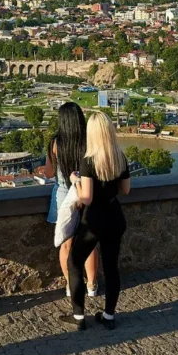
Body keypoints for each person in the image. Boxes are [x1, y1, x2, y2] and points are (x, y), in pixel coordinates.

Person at [61, 112, 131, 331]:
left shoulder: (88, 161)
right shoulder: (120, 157)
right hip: (114, 216)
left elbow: (86, 198)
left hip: (93, 220)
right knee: (111, 267)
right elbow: (126, 190)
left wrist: (75, 180)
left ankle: (79, 316)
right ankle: (109, 316)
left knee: (74, 262)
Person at [42, 102, 98, 297]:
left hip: (63, 195)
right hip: (86, 192)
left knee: (66, 243)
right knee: (88, 242)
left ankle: (70, 285)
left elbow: (49, 173)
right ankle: (91, 284)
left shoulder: (55, 143)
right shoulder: (89, 141)